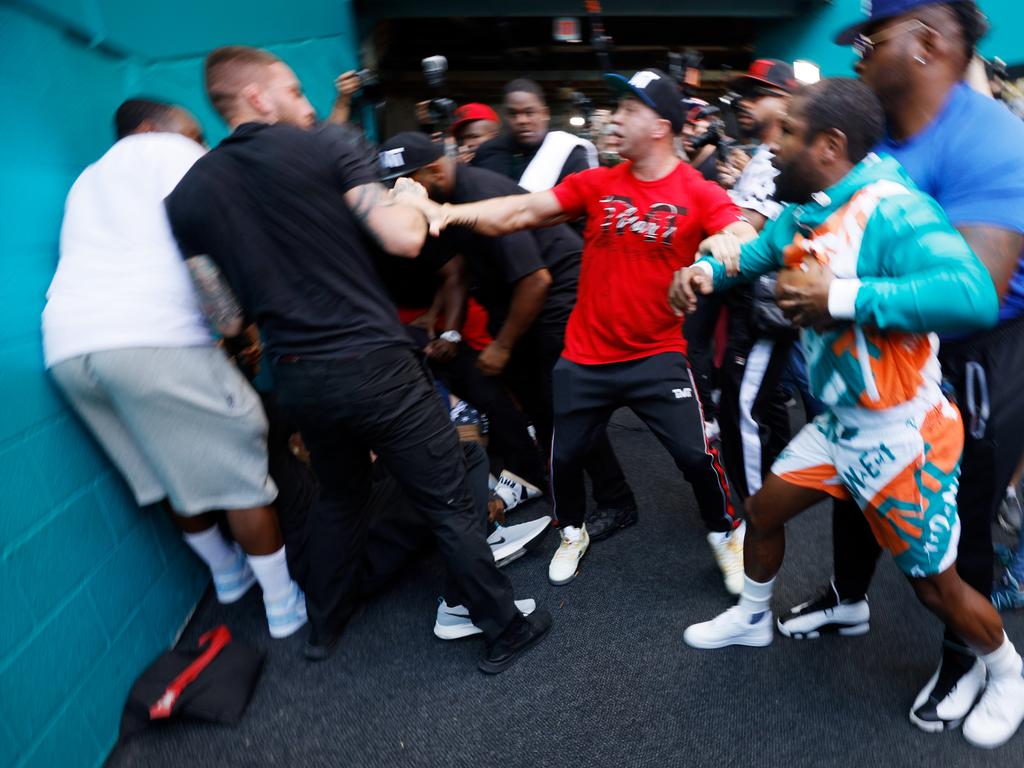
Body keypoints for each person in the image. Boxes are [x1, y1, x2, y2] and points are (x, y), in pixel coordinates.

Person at [164, 46, 550, 674]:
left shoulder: (187, 197)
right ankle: (503, 629)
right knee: (449, 495)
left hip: (295, 375)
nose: (307, 103)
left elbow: (227, 319)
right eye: (292, 90)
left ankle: (325, 626)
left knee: (340, 499)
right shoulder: (326, 145)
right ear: (258, 97)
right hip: (374, 364)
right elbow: (403, 238)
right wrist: (405, 200)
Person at [673, 77, 1024, 750]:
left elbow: (973, 295)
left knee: (937, 591)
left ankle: (1008, 672)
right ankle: (753, 616)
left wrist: (844, 295)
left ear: (830, 145)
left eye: (787, 133)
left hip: (900, 437)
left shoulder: (894, 211)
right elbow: (750, 256)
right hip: (839, 426)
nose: (769, 147)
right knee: (764, 513)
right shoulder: (807, 208)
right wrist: (703, 272)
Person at [396, 68, 756, 591]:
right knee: (563, 456)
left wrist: (727, 243)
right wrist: (443, 211)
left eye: (628, 109)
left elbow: (739, 228)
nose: (615, 116)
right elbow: (520, 210)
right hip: (586, 354)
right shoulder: (599, 182)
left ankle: (727, 532)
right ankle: (573, 531)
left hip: (656, 354)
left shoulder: (696, 192)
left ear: (660, 125)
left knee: (696, 455)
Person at [778, 0, 1024, 735]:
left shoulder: (991, 139)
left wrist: (843, 296)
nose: (855, 57)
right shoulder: (878, 142)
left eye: (869, 40)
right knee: (857, 477)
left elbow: (974, 295)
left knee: (961, 515)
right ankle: (848, 595)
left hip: (979, 353)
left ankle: (968, 659)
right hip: (875, 352)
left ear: (924, 43)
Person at [42, 98, 307, 640]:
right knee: (240, 475)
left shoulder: (87, 182)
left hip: (69, 348)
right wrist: (234, 324)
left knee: (168, 475)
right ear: (147, 129)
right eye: (193, 133)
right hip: (151, 340)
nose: (200, 144)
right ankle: (284, 607)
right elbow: (199, 246)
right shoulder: (165, 151)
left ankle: (229, 578)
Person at [380, 131, 637, 541]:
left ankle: (615, 499)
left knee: (565, 407)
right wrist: (448, 326)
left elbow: (536, 279)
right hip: (512, 298)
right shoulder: (441, 202)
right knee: (536, 406)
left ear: (433, 170)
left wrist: (502, 345)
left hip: (555, 298)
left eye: (406, 181)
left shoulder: (478, 189)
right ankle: (558, 490)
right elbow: (461, 269)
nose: (398, 192)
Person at [472, 78, 597, 191]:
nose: (521, 120)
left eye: (529, 112)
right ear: (505, 116)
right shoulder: (487, 151)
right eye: (513, 114)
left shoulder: (569, 154)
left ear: (545, 113)